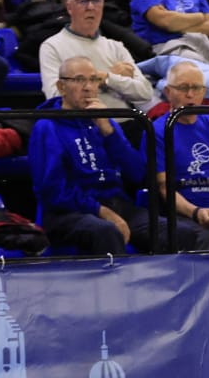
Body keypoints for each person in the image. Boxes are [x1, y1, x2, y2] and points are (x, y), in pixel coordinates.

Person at [29, 54, 153, 257]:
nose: (88, 87)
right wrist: (100, 210)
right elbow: (52, 191)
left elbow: (138, 173)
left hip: (116, 204)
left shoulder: (106, 122)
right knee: (105, 231)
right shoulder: (46, 127)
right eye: (79, 80)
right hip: (68, 213)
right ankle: (117, 288)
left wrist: (110, 133)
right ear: (61, 87)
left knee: (173, 231)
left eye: (93, 80)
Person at [149, 59, 209, 251]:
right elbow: (164, 188)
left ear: (204, 92)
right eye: (183, 88)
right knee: (204, 239)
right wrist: (196, 212)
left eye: (196, 88)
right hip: (183, 215)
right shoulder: (158, 130)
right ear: (168, 92)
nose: (190, 95)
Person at [41, 0, 157, 113]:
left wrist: (108, 78)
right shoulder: (52, 46)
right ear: (70, 8)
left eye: (96, 1)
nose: (90, 7)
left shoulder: (115, 47)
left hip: (126, 122)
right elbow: (55, 96)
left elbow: (145, 92)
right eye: (83, 1)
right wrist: (101, 79)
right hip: (84, 124)